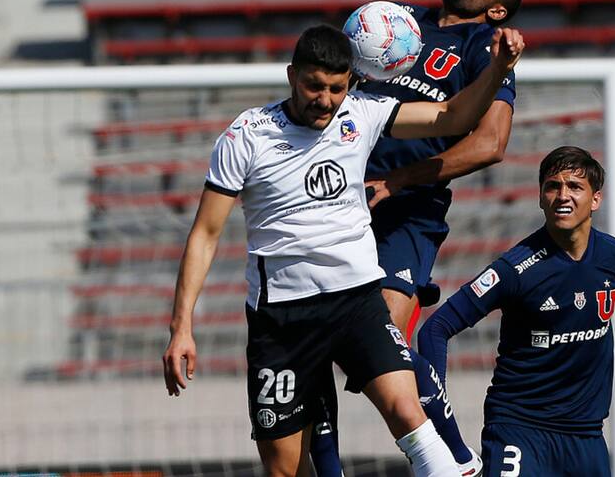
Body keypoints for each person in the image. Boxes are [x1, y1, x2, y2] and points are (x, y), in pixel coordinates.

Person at [161, 24, 524, 477]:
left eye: (336, 88)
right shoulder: (247, 136)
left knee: (408, 413)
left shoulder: (363, 113)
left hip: (357, 303)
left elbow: (450, 114)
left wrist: (497, 70)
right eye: (314, 86)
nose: (326, 99)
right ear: (292, 75)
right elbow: (205, 234)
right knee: (284, 468)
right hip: (282, 321)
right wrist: (182, 327)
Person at [310, 0, 523, 476]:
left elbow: (491, 144)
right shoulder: (395, 21)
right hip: (333, 196)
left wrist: (400, 181)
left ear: (498, 9)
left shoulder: (484, 51)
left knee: (381, 339)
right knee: (310, 337)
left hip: (406, 209)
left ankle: (457, 460)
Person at [417, 146, 615, 476]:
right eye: (553, 186)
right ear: (540, 197)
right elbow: (435, 328)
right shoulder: (515, 268)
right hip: (519, 429)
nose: (562, 195)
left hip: (586, 436)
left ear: (596, 199)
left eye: (575, 187)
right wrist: (439, 415)